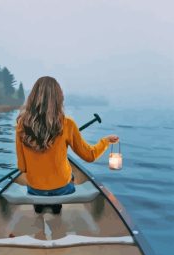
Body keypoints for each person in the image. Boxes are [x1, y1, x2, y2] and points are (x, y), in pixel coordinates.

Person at [15, 76, 119, 214]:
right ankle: (56, 207)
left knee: (37, 185)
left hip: (35, 188)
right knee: (70, 177)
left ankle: (39, 205)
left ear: (33, 97)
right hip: (62, 188)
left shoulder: (22, 124)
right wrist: (105, 141)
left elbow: (22, 167)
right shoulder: (68, 124)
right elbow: (90, 156)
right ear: (59, 98)